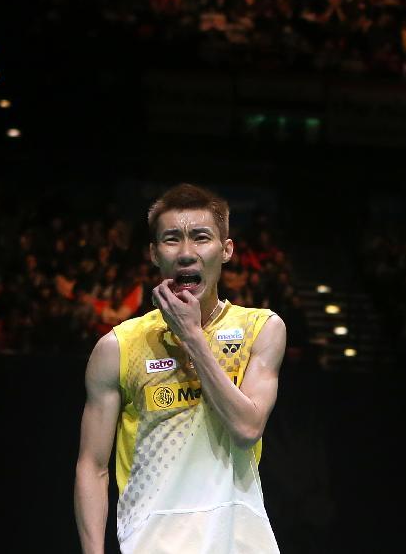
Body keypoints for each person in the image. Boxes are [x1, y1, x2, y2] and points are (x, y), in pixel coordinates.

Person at [74, 183, 285, 553]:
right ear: (154, 253)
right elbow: (92, 467)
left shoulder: (261, 330)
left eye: (201, 237)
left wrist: (192, 337)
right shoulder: (118, 347)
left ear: (227, 249)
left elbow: (246, 427)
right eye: (172, 239)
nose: (186, 253)